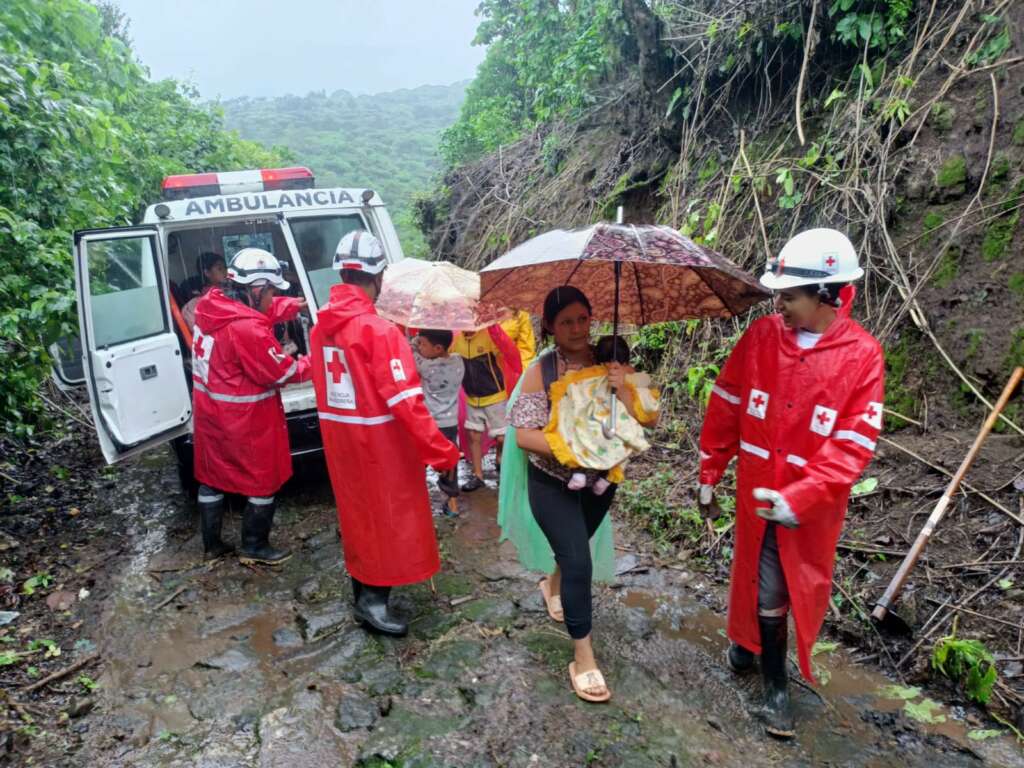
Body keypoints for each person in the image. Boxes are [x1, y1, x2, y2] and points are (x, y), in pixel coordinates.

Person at [698, 228, 884, 738]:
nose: (779, 304)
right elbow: (728, 402)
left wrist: (797, 497)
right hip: (756, 489)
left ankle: (776, 692)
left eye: (790, 296)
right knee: (751, 574)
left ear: (828, 295)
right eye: (778, 294)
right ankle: (746, 644)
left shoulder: (861, 356)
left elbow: (852, 443)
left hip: (809, 504)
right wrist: (710, 470)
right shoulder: (761, 338)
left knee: (778, 586)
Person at [310, 231, 460, 637]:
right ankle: (372, 602)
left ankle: (362, 589)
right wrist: (443, 454)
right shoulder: (379, 332)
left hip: (341, 444)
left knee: (358, 515)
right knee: (387, 518)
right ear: (379, 278)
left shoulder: (319, 327)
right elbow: (408, 406)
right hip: (380, 446)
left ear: (342, 272)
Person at [507, 286, 653, 703]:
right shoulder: (542, 369)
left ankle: (551, 586)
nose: (576, 328)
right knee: (578, 561)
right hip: (552, 481)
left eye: (582, 319)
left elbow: (651, 415)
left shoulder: (614, 358)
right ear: (550, 326)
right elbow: (523, 436)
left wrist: (625, 385)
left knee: (575, 549)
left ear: (592, 319)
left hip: (600, 482)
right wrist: (573, 450)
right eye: (565, 321)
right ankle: (584, 658)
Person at [191, 248, 311, 565]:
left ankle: (212, 545)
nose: (273, 297)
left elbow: (257, 312)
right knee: (262, 478)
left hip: (210, 412)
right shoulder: (248, 330)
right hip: (244, 419)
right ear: (256, 289)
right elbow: (283, 371)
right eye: (271, 291)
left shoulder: (212, 305)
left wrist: (292, 306)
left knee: (211, 475)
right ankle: (255, 546)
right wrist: (315, 362)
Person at [546, 335, 660, 495]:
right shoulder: (630, 373)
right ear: (626, 359)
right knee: (624, 445)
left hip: (593, 419)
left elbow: (574, 389)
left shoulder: (589, 373)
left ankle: (579, 471)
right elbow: (646, 390)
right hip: (618, 424)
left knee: (581, 437)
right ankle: (607, 479)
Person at [452, 324, 520, 491]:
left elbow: (506, 351)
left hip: (495, 397)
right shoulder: (457, 341)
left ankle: (500, 456)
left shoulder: (489, 336)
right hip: (472, 398)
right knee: (473, 436)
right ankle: (478, 475)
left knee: (502, 438)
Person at [412, 328, 465, 511]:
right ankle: (452, 504)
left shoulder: (425, 367)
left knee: (420, 460)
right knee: (448, 462)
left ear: (438, 348)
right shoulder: (458, 362)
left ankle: (416, 499)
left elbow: (412, 353)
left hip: (430, 424)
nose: (419, 347)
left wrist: (413, 338)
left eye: (423, 344)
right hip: (450, 424)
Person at [181, 252, 228, 330]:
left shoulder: (231, 291)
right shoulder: (200, 302)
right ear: (207, 273)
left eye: (225, 268)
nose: (225, 271)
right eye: (219, 268)